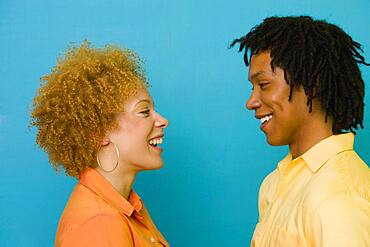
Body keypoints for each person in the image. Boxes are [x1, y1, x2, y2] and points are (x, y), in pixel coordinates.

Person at [231, 16, 370, 246]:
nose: (251, 101)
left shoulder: (338, 196)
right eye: (252, 88)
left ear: (312, 85)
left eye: (264, 85)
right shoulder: (273, 183)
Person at [31, 41, 170, 246]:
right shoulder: (97, 225)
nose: (162, 121)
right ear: (99, 132)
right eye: (144, 111)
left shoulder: (129, 206)